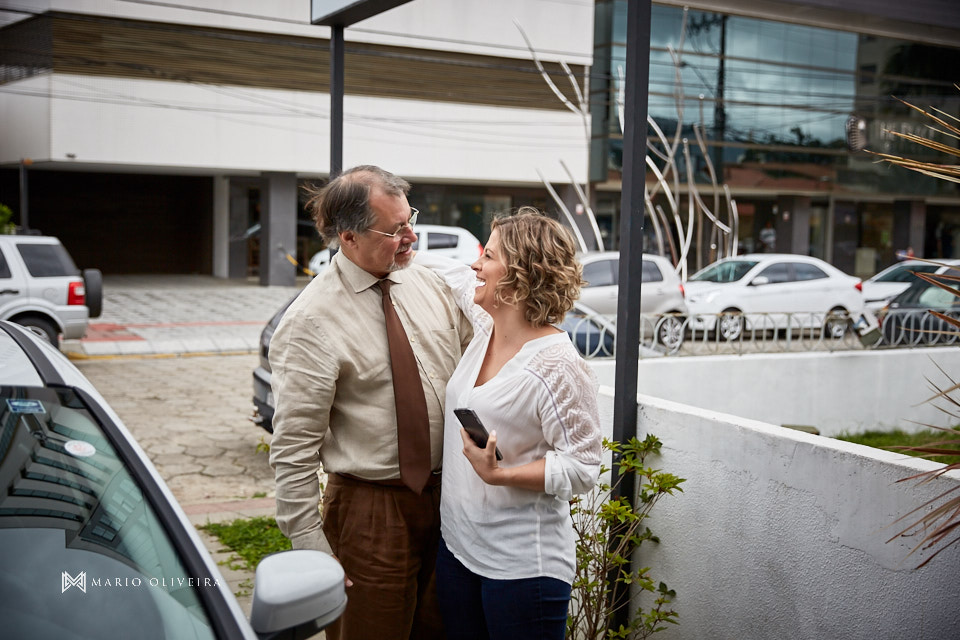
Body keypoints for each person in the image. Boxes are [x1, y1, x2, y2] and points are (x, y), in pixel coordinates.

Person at [268, 165, 472, 640]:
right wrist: (311, 548)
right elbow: (294, 448)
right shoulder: (310, 322)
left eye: (409, 220)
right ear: (349, 237)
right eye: (395, 229)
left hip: (454, 503)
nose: (411, 236)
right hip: (371, 513)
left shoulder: (430, 286)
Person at [415, 208, 603, 639]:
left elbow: (582, 468)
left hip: (522, 573)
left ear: (520, 276)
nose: (476, 264)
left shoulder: (558, 366)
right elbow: (454, 275)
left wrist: (500, 475)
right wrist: (399, 246)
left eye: (490, 256)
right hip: (458, 552)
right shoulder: (487, 325)